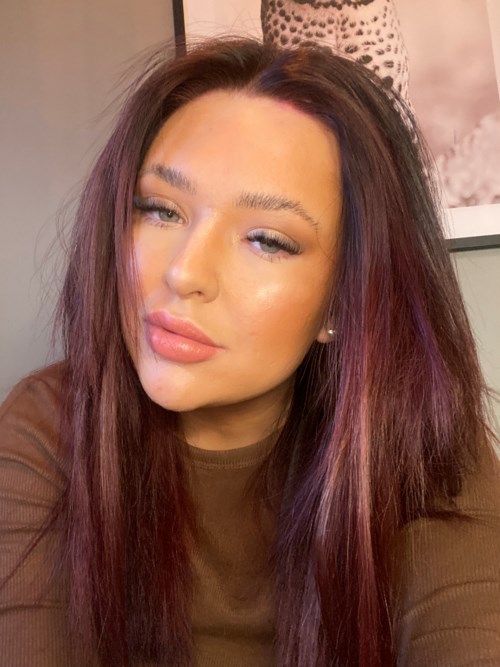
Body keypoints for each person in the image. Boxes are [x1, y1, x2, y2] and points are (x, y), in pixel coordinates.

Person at [0, 36, 499, 667]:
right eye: (160, 210)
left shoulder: (419, 444)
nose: (184, 273)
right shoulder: (51, 425)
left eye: (267, 240)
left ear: (343, 301)